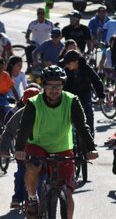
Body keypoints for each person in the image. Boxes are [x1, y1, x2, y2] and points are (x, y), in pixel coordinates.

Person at [14, 65, 99, 219]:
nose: (54, 90)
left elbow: (82, 127)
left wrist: (90, 148)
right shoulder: (33, 103)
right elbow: (24, 129)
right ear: (43, 86)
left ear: (62, 85)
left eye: (58, 86)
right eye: (50, 86)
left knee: (67, 191)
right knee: (33, 167)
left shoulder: (72, 101)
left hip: (62, 147)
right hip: (37, 146)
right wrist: (19, 148)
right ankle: (33, 199)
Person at [0, 87, 41, 209]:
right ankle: (17, 197)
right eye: (27, 103)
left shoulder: (47, 111)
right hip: (23, 150)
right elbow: (8, 131)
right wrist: (3, 148)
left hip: (43, 149)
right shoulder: (19, 113)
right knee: (22, 173)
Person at [60, 49, 105, 137]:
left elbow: (97, 81)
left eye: (69, 63)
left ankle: (90, 136)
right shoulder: (65, 71)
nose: (67, 65)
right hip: (70, 95)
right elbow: (60, 85)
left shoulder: (86, 68)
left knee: (88, 114)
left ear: (76, 61)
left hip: (84, 94)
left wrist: (101, 96)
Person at [25, 8, 54, 73]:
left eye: (42, 13)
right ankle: (29, 67)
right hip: (35, 44)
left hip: (45, 45)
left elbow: (53, 34)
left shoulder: (49, 23)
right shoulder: (33, 23)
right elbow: (28, 33)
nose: (40, 15)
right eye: (39, 13)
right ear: (37, 14)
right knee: (27, 49)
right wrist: (28, 39)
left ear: (44, 14)